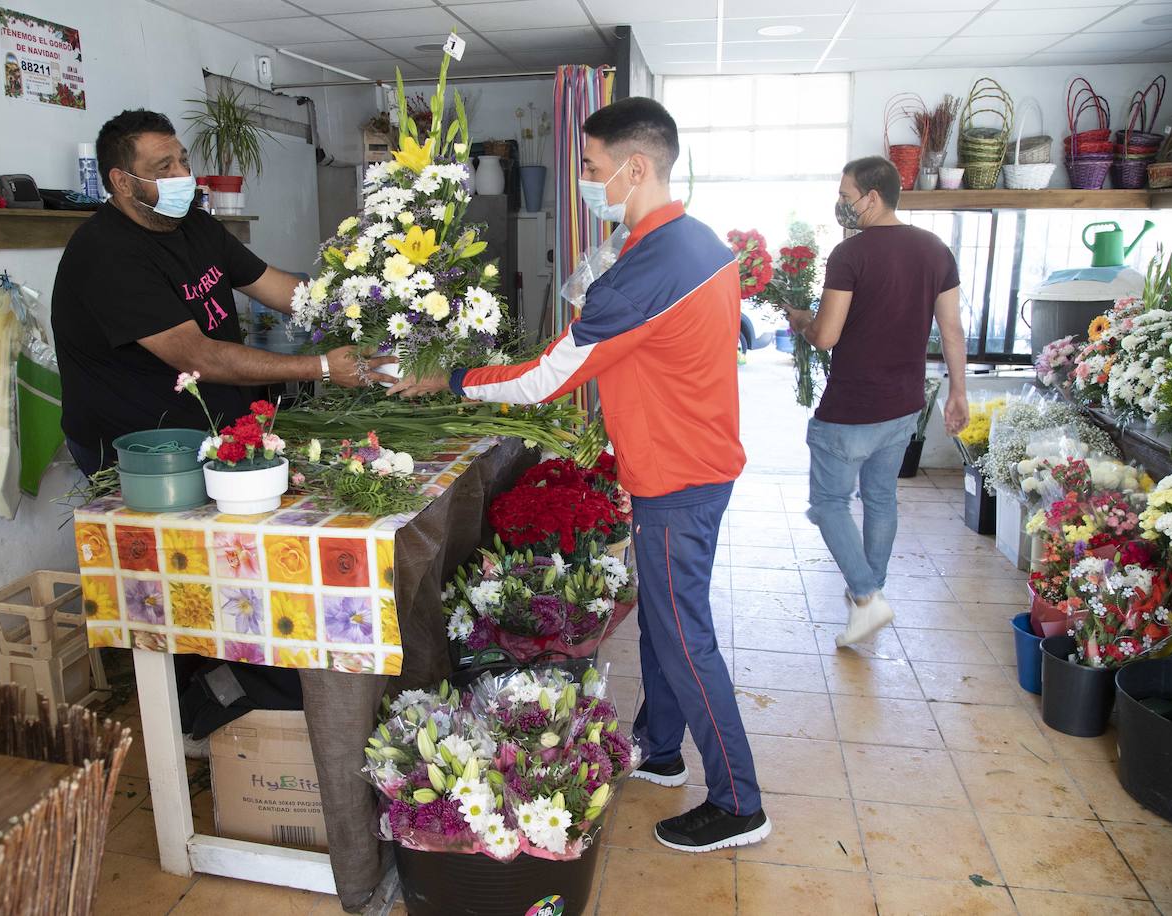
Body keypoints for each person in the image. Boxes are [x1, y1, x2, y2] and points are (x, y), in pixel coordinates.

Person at [389, 97, 771, 853]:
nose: (587, 182)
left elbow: (544, 378)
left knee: (686, 637)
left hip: (679, 479)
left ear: (637, 167)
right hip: (692, 462)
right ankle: (662, 749)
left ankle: (738, 802)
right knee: (665, 622)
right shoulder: (695, 243)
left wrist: (454, 378)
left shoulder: (652, 268)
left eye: (593, 169)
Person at [52, 109, 391, 475]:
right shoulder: (107, 253)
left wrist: (373, 311)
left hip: (214, 434)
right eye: (164, 167)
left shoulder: (196, 225)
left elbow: (279, 288)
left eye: (183, 161)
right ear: (122, 181)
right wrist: (323, 367)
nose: (183, 176)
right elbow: (199, 357)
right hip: (142, 450)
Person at [785, 156, 970, 646]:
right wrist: (958, 392)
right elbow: (951, 331)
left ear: (872, 196)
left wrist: (800, 319)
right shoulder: (935, 250)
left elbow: (825, 336)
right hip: (904, 405)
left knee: (828, 503)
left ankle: (867, 597)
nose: (841, 203)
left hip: (852, 407)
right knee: (881, 499)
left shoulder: (851, 255)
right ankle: (869, 601)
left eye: (846, 195)